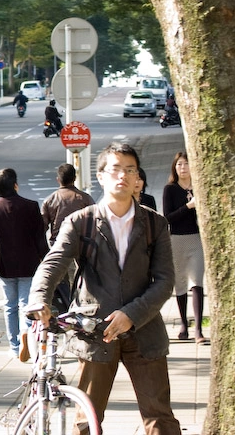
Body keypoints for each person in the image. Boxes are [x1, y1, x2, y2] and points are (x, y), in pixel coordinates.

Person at [28, 142, 181, 435]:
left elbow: (164, 281)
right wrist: (38, 298)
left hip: (145, 331)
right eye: (115, 169)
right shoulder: (80, 222)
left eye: (130, 170)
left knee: (160, 418)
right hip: (96, 332)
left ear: (138, 178)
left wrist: (132, 314)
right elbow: (53, 263)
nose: (122, 176)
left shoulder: (155, 224)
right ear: (100, 176)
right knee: (87, 418)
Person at [0, 168, 48, 359]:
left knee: (9, 305)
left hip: (4, 265)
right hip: (29, 263)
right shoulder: (30, 206)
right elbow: (40, 237)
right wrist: (45, 258)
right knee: (26, 305)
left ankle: (14, 346)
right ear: (15, 185)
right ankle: (27, 337)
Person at [162, 152, 206, 344]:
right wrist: (188, 206)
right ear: (175, 167)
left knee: (197, 281)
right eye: (179, 164)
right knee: (180, 283)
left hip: (197, 238)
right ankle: (182, 324)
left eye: (186, 164)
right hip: (177, 239)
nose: (183, 168)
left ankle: (198, 328)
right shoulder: (170, 189)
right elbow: (167, 218)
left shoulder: (199, 187)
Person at [41, 163, 95, 309]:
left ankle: (63, 310)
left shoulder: (50, 200)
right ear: (75, 178)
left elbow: (42, 228)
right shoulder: (85, 198)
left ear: (58, 179)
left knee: (57, 283)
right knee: (79, 282)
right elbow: (96, 223)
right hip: (82, 246)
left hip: (57, 246)